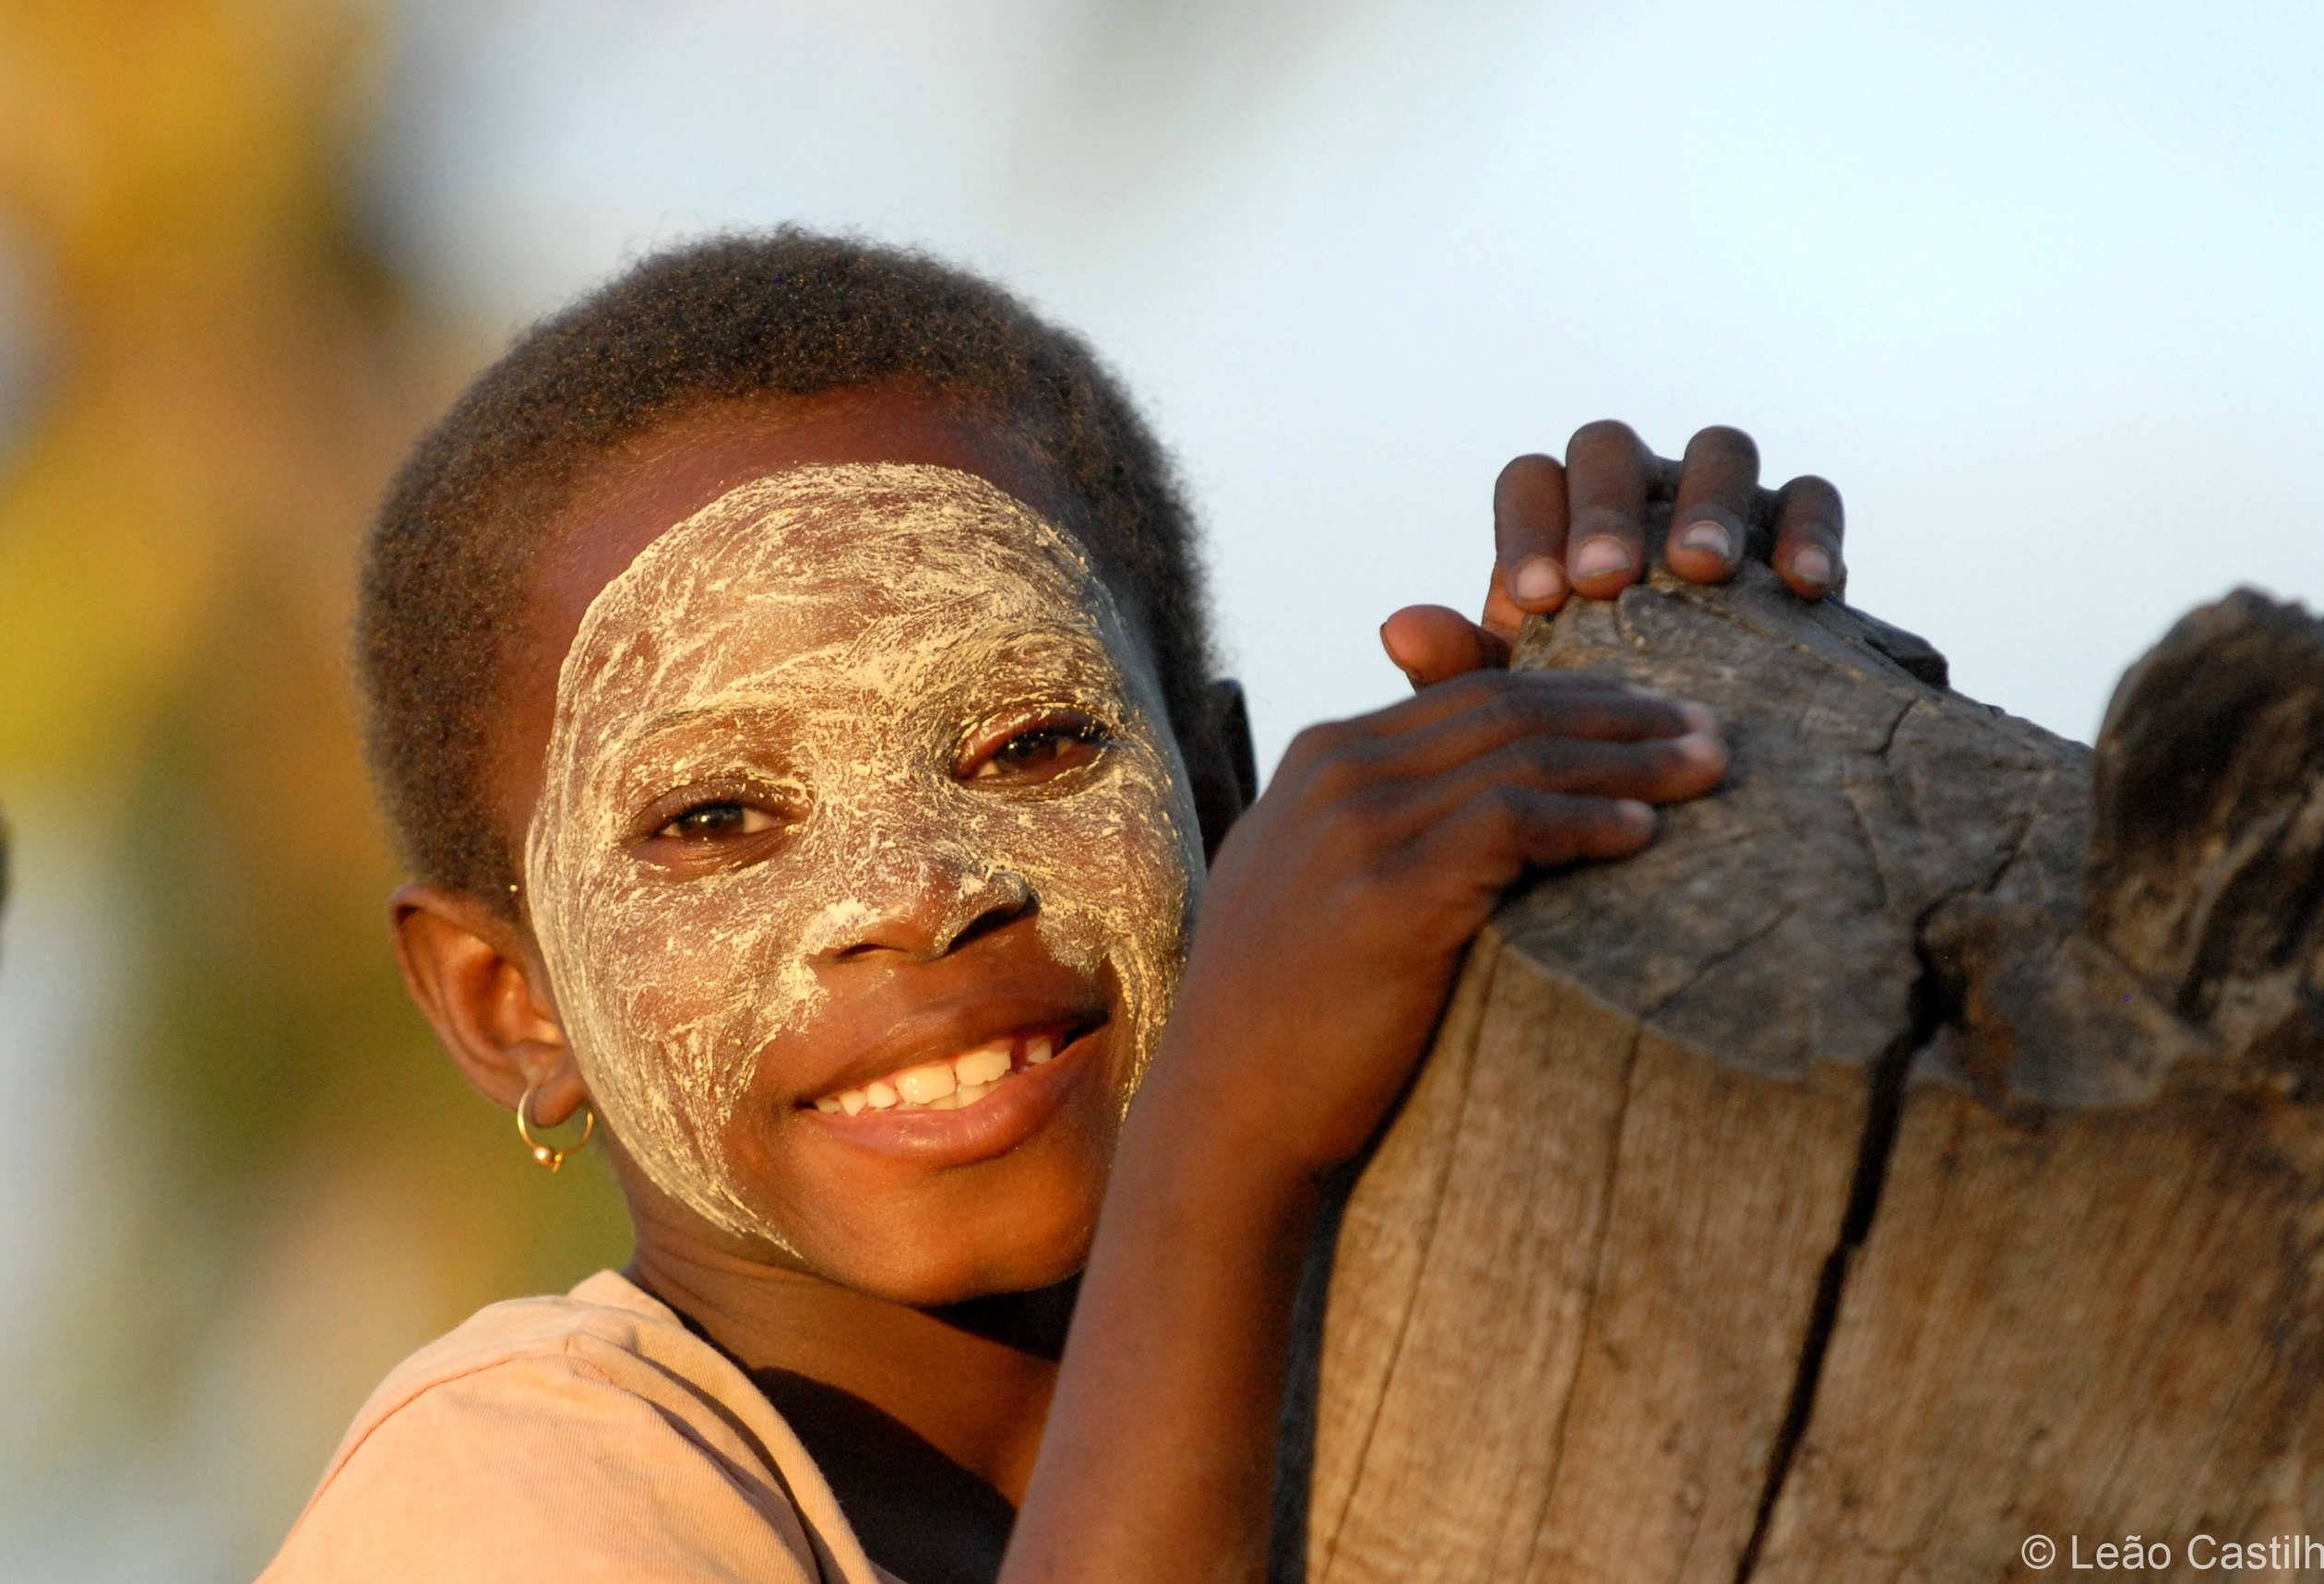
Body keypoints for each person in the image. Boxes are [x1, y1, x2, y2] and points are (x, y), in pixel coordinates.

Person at [260, 228, 1849, 1584]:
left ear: (1224, 802)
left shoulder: (1417, 1377)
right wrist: (1225, 1129)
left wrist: (1730, 733)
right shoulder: (502, 1486)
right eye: (715, 816)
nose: (916, 897)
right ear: (507, 999)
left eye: (1030, 740)